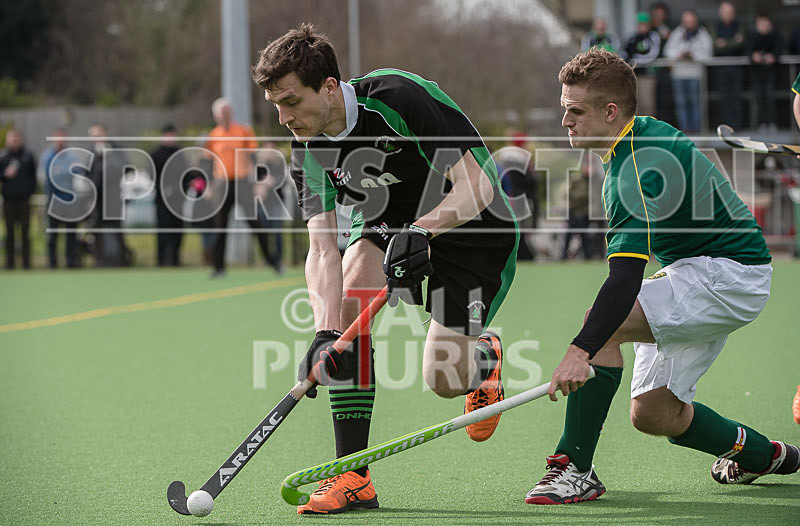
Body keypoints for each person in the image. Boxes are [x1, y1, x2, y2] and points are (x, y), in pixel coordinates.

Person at [252, 24, 518, 514]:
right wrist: (326, 332)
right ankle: (353, 475)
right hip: (387, 225)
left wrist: (421, 231)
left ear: (329, 87)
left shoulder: (397, 96)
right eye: (276, 106)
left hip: (473, 231)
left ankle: (483, 359)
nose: (284, 117)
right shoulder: (308, 148)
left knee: (443, 378)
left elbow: (477, 187)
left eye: (291, 101)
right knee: (350, 297)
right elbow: (320, 249)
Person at [525, 48, 799, 505]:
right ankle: (764, 455)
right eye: (564, 110)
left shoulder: (633, 170)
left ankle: (572, 468)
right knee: (654, 414)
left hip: (728, 275)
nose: (565, 122)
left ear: (610, 112)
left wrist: (580, 351)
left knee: (603, 322)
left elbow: (625, 279)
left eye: (575, 111)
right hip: (706, 271)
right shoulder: (639, 136)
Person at [204, 97, 281, 277]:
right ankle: (218, 267)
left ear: (231, 113)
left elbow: (253, 157)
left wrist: (260, 181)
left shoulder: (243, 131)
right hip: (223, 185)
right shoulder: (213, 136)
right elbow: (207, 163)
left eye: (227, 112)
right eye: (221, 113)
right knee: (220, 226)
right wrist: (207, 185)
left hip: (243, 183)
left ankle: (272, 261)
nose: (224, 116)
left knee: (256, 223)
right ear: (216, 116)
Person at [664, 10, 712, 133]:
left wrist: (693, 56)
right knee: (681, 104)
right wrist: (679, 55)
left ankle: (697, 130)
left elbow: (708, 54)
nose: (688, 24)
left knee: (696, 104)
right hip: (679, 75)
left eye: (691, 22)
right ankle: (685, 131)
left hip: (695, 74)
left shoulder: (703, 34)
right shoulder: (677, 33)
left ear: (696, 22)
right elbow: (668, 51)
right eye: (686, 22)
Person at [40, 128, 80, 268]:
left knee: (71, 234)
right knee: (52, 234)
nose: (60, 142)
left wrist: (59, 172)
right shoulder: (46, 156)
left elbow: (77, 175)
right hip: (53, 201)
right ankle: (52, 263)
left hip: (70, 201)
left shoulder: (73, 157)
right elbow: (44, 177)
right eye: (58, 139)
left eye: (63, 139)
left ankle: (71, 262)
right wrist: (64, 173)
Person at [0, 128, 37, 269]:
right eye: (11, 138)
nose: (14, 140)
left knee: (25, 232)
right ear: (7, 140)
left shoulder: (28, 156)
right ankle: (10, 264)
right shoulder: (3, 158)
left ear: (21, 140)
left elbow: (33, 178)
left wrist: (29, 193)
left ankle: (26, 263)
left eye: (16, 138)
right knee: (9, 232)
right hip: (8, 201)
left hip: (24, 201)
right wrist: (5, 174)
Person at [150, 124, 185, 266]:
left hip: (178, 199)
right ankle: (161, 260)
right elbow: (152, 175)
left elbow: (186, 173)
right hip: (162, 199)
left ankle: (175, 260)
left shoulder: (179, 153)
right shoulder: (156, 154)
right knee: (163, 229)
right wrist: (163, 188)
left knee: (178, 229)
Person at [620, 12, 661, 117]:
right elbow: (624, 53)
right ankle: (637, 130)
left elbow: (653, 55)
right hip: (633, 74)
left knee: (647, 103)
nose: (641, 27)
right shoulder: (632, 37)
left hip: (647, 74)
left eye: (643, 24)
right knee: (635, 104)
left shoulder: (653, 36)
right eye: (639, 24)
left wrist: (635, 60)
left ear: (648, 25)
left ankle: (650, 129)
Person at [712, 1, 745, 129]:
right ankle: (726, 126)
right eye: (725, 12)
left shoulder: (739, 25)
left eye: (730, 12)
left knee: (736, 97)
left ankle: (737, 125)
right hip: (721, 68)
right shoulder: (716, 26)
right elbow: (716, 47)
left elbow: (741, 44)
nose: (727, 15)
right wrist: (733, 42)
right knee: (725, 98)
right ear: (720, 13)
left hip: (736, 67)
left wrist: (724, 43)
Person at [747, 14, 782, 131]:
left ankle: (772, 122)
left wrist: (773, 57)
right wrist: (753, 56)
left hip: (770, 72)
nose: (763, 26)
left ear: (770, 24)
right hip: (757, 73)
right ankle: (761, 123)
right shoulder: (752, 35)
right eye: (760, 24)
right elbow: (747, 50)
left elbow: (780, 49)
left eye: (765, 23)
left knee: (770, 97)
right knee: (759, 98)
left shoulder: (775, 35)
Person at [650, 2, 677, 125]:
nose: (659, 17)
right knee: (652, 100)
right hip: (651, 70)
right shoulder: (650, 30)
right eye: (657, 14)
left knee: (667, 99)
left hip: (666, 69)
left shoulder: (671, 28)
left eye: (662, 14)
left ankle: (666, 125)